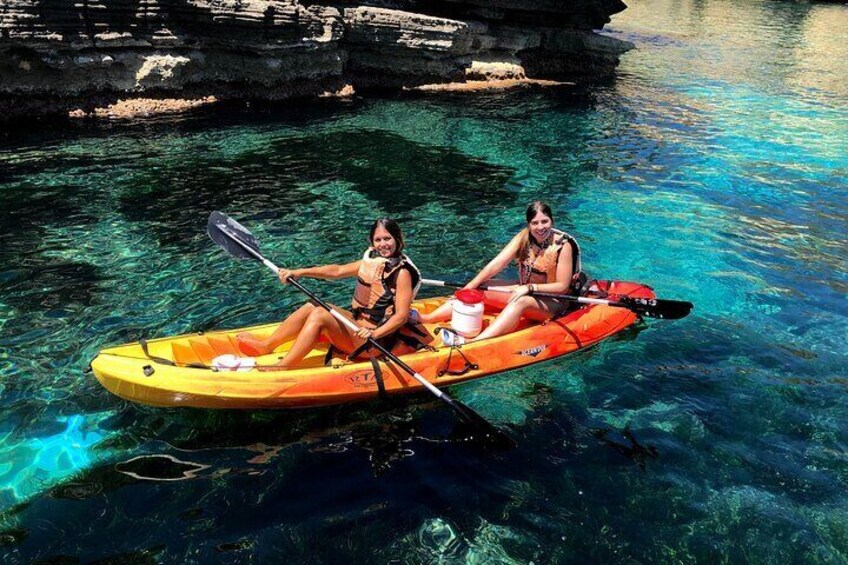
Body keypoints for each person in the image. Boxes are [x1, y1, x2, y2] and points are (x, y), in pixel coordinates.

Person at [237, 218, 431, 369]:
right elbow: (336, 271)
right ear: (371, 243)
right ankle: (267, 345)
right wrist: (299, 272)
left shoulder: (402, 273)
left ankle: (282, 367)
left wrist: (375, 332)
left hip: (375, 340)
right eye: (378, 240)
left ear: (398, 239)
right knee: (313, 305)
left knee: (321, 314)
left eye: (387, 239)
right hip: (358, 326)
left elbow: (400, 316)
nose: (383, 244)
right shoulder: (373, 263)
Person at [418, 201, 586, 345]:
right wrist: (469, 287)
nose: (540, 227)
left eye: (545, 221)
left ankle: (475, 342)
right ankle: (428, 318)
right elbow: (496, 265)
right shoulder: (524, 237)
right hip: (526, 289)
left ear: (552, 221)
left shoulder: (564, 246)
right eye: (535, 223)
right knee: (480, 288)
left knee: (522, 302)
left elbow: (562, 287)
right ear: (528, 224)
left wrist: (529, 288)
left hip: (555, 301)